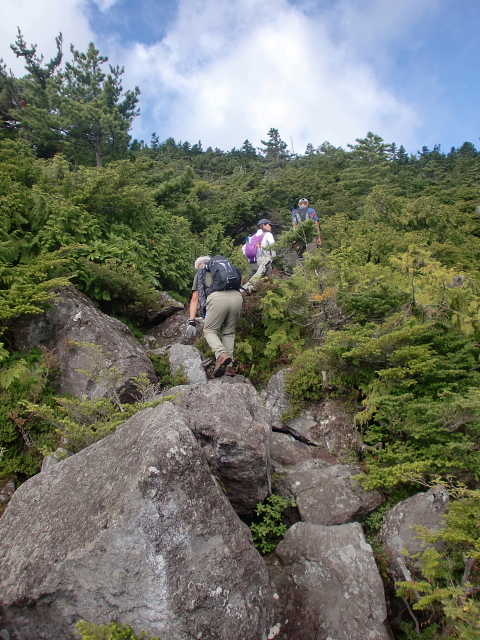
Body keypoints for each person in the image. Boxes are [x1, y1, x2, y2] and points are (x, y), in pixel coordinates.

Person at [184, 255, 243, 377]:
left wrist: (191, 321)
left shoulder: (201, 272)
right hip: (237, 297)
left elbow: (195, 298)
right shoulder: (226, 269)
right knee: (229, 332)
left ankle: (221, 354)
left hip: (217, 299)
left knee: (210, 330)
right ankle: (228, 367)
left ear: (200, 265)